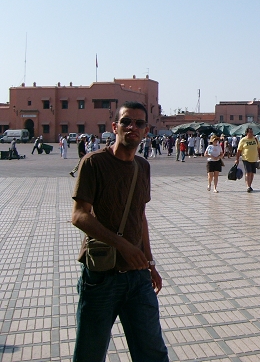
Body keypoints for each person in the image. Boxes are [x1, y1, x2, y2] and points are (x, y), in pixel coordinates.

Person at [70, 101, 168, 362]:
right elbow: (79, 215)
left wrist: (150, 263)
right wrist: (122, 245)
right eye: (126, 122)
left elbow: (140, 216)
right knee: (90, 354)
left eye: (139, 123)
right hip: (102, 276)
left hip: (138, 277)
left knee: (153, 352)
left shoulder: (142, 166)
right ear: (115, 127)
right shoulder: (94, 163)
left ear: (145, 131)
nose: (132, 127)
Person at [235, 127, 260, 192]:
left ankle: (250, 185)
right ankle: (248, 186)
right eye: (250, 132)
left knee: (252, 173)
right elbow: (239, 150)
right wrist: (237, 159)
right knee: (248, 172)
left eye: (252, 132)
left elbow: (259, 148)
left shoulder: (255, 139)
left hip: (254, 159)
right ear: (247, 133)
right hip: (246, 159)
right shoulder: (243, 140)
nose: (251, 133)